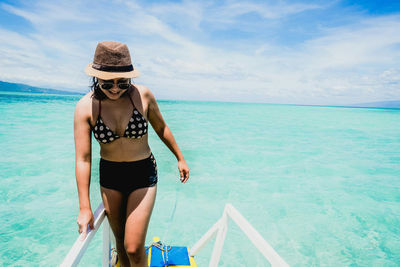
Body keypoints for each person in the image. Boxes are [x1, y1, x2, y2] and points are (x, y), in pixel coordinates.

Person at [74, 41, 189, 267]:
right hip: (111, 176)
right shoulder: (85, 108)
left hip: (143, 174)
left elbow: (162, 128)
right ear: (97, 77)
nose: (116, 88)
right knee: (121, 246)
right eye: (108, 83)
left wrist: (180, 157)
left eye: (123, 82)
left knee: (134, 248)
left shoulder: (142, 96)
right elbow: (83, 159)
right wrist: (85, 207)